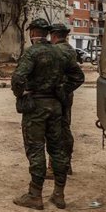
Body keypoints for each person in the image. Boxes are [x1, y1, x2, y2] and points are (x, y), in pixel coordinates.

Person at [10, 18, 83, 210]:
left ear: (33, 32)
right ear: (47, 32)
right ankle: (59, 194)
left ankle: (35, 195)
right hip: (56, 106)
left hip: (36, 107)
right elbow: (78, 77)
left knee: (36, 148)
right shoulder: (59, 53)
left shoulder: (32, 52)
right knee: (57, 149)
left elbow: (18, 77)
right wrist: (62, 91)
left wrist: (21, 93)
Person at [46, 23, 81, 178]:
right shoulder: (71, 50)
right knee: (65, 128)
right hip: (67, 96)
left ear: (53, 36)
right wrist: (66, 90)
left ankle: (54, 167)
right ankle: (67, 165)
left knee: (54, 132)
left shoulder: (55, 51)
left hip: (55, 96)